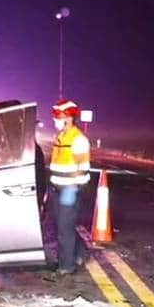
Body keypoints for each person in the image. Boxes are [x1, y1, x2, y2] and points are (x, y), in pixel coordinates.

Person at [49, 99, 91, 275]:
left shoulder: (78, 139)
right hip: (57, 188)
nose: (55, 120)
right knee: (61, 225)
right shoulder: (60, 137)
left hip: (70, 189)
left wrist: (73, 187)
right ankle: (80, 252)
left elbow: (82, 167)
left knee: (64, 228)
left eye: (59, 116)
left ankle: (66, 266)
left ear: (69, 118)